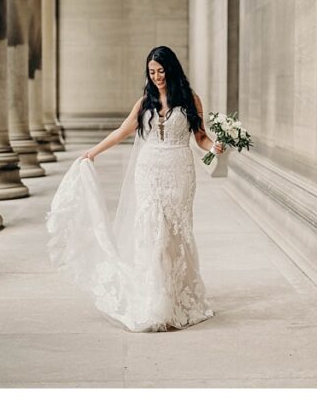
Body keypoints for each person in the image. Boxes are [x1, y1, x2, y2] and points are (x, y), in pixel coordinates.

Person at [47, 46, 223, 332]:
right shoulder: (145, 102)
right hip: (149, 170)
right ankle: (155, 300)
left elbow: (200, 136)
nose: (156, 77)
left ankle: (176, 296)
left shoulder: (191, 99)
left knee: (175, 233)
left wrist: (214, 147)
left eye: (161, 71)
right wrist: (93, 152)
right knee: (153, 231)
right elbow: (122, 131)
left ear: (172, 69)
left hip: (179, 170)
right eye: (152, 72)